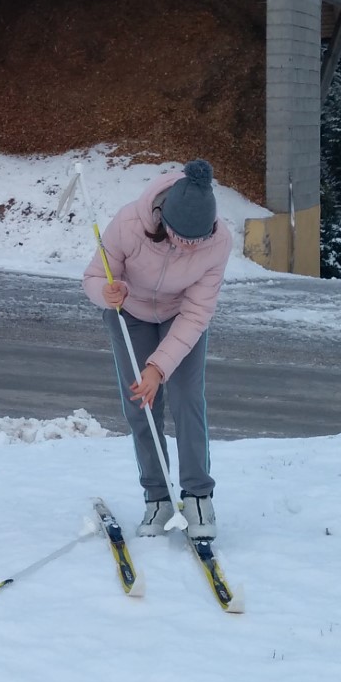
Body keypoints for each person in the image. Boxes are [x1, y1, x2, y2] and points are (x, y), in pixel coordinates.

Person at [83, 160, 230, 539]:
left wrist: (158, 367)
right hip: (130, 313)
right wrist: (106, 292)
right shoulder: (129, 223)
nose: (188, 247)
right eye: (182, 238)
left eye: (196, 241)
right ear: (164, 218)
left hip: (180, 316)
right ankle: (158, 497)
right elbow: (95, 276)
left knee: (186, 399)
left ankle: (198, 496)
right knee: (142, 405)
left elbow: (197, 312)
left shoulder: (218, 243)